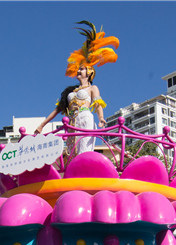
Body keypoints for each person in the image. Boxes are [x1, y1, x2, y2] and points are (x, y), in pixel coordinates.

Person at [34, 22, 117, 158]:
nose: (79, 71)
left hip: (85, 118)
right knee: (72, 154)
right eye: (79, 69)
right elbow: (58, 109)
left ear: (90, 72)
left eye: (82, 69)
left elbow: (97, 104)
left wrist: (101, 118)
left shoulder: (92, 88)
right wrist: (42, 125)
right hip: (71, 121)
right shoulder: (70, 91)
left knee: (84, 151)